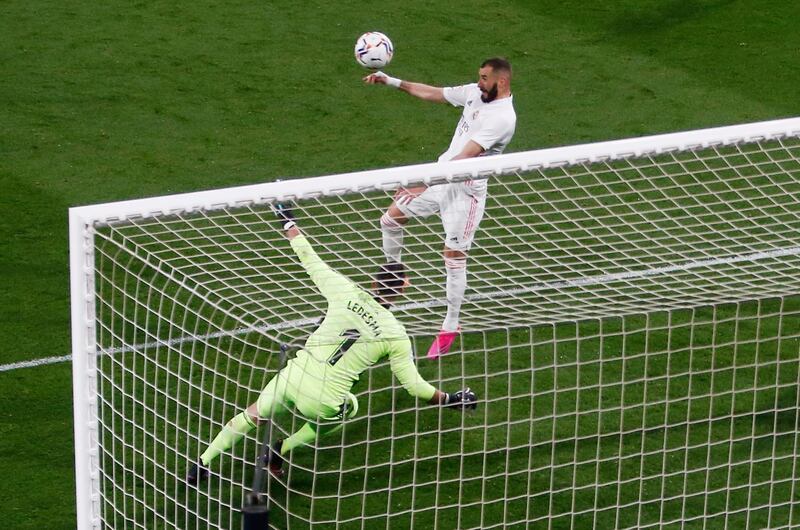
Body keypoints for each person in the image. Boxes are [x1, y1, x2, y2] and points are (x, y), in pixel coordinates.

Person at [187, 204, 477, 484]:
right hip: (323, 400)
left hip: (294, 375)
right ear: (402, 289)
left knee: (253, 415)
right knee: (349, 407)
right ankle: (280, 449)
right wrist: (450, 399)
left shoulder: (344, 290)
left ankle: (201, 463)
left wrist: (287, 222)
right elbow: (414, 387)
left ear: (374, 282)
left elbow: (309, 258)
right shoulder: (395, 333)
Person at [363, 57, 517, 359]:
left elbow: (467, 156)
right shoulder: (476, 93)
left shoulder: (502, 118)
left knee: (453, 257)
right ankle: (395, 272)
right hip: (440, 180)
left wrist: (423, 181)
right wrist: (392, 81)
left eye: (484, 78)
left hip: (465, 192)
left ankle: (451, 324)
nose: (479, 82)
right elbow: (435, 93)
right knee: (390, 220)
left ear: (501, 82)